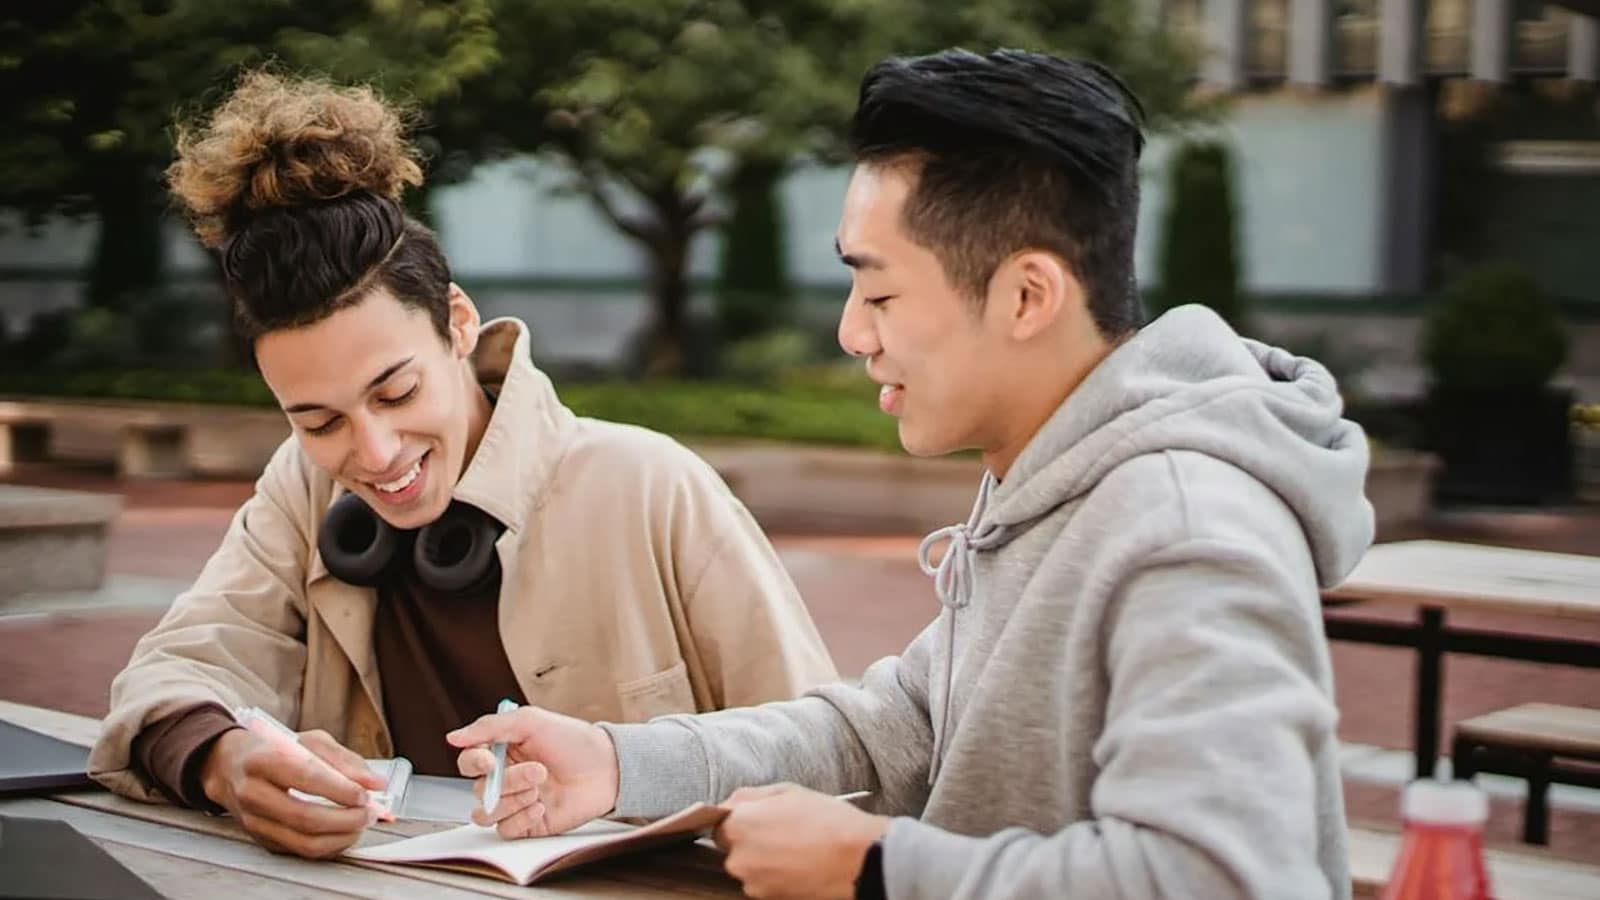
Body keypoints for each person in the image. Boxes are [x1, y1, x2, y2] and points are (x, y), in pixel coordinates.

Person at [445, 48, 1375, 900]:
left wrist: (874, 867)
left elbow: (1233, 879)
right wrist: (615, 764)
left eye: (880, 291)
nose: (853, 332)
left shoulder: (1182, 526)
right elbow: (896, 728)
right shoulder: (1052, 480)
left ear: (1026, 295)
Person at [87, 71, 837, 860]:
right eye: (318, 420)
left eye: (397, 391)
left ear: (458, 322)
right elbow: (172, 672)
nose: (372, 455)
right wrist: (223, 761)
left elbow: (827, 752)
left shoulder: (652, 485)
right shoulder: (302, 486)